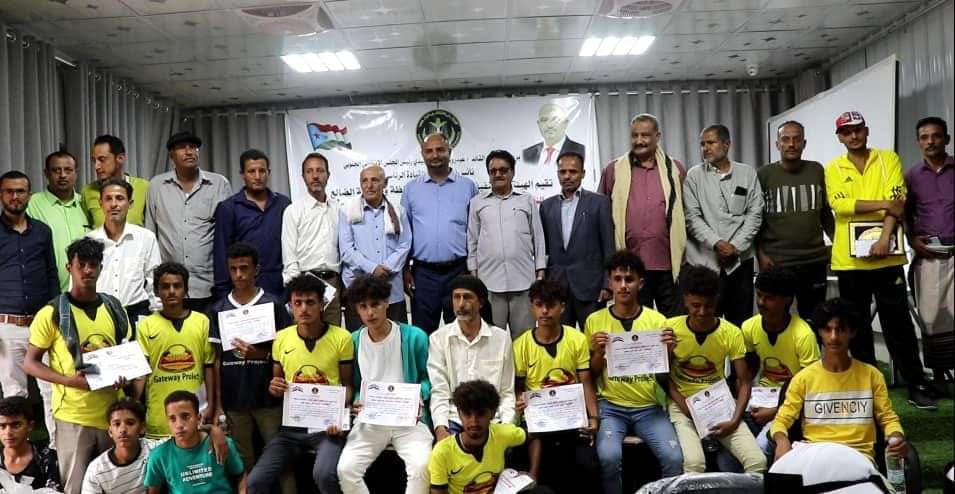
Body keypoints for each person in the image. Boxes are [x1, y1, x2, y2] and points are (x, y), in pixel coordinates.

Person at [824, 111, 935, 409]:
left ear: (866, 130)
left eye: (858, 130)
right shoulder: (834, 167)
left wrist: (884, 239)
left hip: (888, 256)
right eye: (847, 132)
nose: (853, 136)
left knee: (898, 324)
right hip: (850, 262)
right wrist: (884, 203)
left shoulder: (888, 159)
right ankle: (867, 387)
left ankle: (916, 383)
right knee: (856, 328)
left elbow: (898, 203)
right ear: (840, 137)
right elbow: (840, 205)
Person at [23, 237, 132, 494]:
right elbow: (30, 363)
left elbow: (123, 356)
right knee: (74, 487)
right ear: (68, 267)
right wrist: (68, 381)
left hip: (111, 416)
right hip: (73, 417)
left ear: (101, 268)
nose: (87, 270)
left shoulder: (115, 308)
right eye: (81, 264)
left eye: (93, 264)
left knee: (115, 487)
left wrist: (125, 377)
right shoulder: (51, 313)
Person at [584, 251, 683, 493]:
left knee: (673, 458)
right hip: (611, 407)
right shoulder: (594, 321)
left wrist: (668, 353)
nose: (623, 285)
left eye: (629, 279)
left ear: (641, 283)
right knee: (608, 457)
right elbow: (591, 376)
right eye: (617, 279)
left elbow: (663, 376)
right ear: (609, 283)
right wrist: (597, 353)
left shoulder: (657, 321)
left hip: (648, 407)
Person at [247, 274, 352, 494]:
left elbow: (348, 386)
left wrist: (340, 418)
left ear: (322, 305)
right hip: (292, 428)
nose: (304, 309)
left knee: (324, 474)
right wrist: (275, 388)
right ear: (290, 306)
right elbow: (277, 385)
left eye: (310, 302)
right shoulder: (281, 338)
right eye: (298, 303)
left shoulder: (342, 338)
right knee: (255, 481)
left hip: (327, 428)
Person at [771, 298, 908, 465]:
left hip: (859, 460)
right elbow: (781, 421)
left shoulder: (872, 376)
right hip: (815, 458)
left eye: (841, 330)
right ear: (820, 332)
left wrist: (896, 437)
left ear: (852, 332)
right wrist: (781, 440)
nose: (834, 337)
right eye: (827, 330)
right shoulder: (803, 379)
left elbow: (887, 418)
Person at [666, 265, 766, 474]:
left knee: (757, 461)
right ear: (685, 300)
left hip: (718, 404)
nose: (702, 312)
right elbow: (661, 377)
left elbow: (744, 381)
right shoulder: (670, 329)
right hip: (682, 404)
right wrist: (684, 405)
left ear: (717, 301)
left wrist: (734, 420)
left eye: (708, 306)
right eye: (695, 305)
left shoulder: (731, 332)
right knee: (694, 463)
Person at [337, 275, 432, 494]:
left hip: (410, 419)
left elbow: (429, 378)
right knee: (346, 469)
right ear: (356, 309)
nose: (370, 312)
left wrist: (420, 394)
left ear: (387, 303)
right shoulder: (353, 341)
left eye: (375, 304)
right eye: (363, 307)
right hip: (371, 420)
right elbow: (355, 385)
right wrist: (357, 401)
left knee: (422, 465)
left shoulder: (414, 337)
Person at [208, 242, 292, 482]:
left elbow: (288, 353)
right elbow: (216, 360)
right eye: (233, 269)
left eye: (244, 268)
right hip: (235, 400)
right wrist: (219, 404)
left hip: (269, 400)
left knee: (281, 460)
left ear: (257, 269)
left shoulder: (273, 305)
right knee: (243, 463)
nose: (239, 275)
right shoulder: (218, 309)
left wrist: (261, 355)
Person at [512, 279, 599, 493]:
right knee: (535, 464)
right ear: (532, 307)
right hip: (538, 421)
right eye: (539, 305)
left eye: (550, 305)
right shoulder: (521, 344)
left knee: (586, 464)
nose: (545, 311)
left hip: (571, 418)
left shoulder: (576, 339)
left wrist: (594, 418)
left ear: (562, 307)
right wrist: (520, 400)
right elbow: (518, 387)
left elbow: (586, 382)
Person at [598, 113, 687, 317]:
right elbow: (601, 216)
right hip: (630, 268)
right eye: (634, 135)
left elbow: (687, 213)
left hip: (668, 265)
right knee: (637, 325)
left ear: (658, 136)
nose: (639, 141)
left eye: (645, 135)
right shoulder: (614, 170)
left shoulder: (675, 170)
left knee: (673, 324)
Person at [683, 124, 763, 326]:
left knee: (741, 323)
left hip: (740, 261)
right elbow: (692, 217)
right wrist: (718, 244)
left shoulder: (747, 173)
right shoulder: (694, 176)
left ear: (726, 144)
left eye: (711, 143)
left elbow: (755, 214)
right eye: (702, 144)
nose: (705, 148)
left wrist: (735, 247)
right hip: (706, 262)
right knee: (706, 322)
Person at [0, 170, 58, 442]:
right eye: (9, 191)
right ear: (1, 195)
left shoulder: (42, 232)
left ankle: (57, 453)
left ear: (29, 195)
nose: (15, 196)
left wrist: (56, 314)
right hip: (6, 325)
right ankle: (18, 455)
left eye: (20, 191)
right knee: (14, 395)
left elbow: (51, 274)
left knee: (52, 390)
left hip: (42, 324)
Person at [146, 131, 232, 313]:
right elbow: (150, 234)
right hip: (170, 286)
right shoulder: (157, 186)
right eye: (182, 148)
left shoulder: (218, 184)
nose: (189, 152)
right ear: (171, 154)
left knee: (207, 330)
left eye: (193, 147)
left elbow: (228, 233)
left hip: (208, 284)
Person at [756, 121, 834, 322]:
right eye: (785, 139)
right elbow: (755, 219)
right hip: (777, 262)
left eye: (796, 139)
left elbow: (826, 214)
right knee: (775, 319)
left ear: (804, 143)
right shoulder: (763, 175)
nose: (791, 144)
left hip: (814, 260)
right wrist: (761, 254)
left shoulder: (817, 170)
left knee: (814, 319)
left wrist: (837, 244)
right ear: (777, 144)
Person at [401, 133, 478, 333]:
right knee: (423, 333)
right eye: (429, 151)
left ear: (449, 152)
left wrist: (473, 269)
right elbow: (405, 234)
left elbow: (475, 231)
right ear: (422, 154)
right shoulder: (411, 189)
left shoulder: (468, 186)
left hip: (459, 271)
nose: (435, 155)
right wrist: (405, 269)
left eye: (440, 150)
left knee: (461, 331)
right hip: (423, 274)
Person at [739, 267, 819, 457]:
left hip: (791, 404)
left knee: (760, 448)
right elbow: (747, 372)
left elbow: (811, 387)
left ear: (787, 300)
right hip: (760, 398)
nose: (761, 302)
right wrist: (742, 401)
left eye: (769, 298)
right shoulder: (749, 327)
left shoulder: (803, 335)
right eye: (759, 295)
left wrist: (775, 411)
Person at [133, 262, 217, 438]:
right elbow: (141, 372)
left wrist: (211, 405)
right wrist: (134, 404)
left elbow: (208, 366)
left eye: (177, 286)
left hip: (196, 414)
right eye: (165, 286)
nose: (171, 291)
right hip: (159, 418)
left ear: (186, 289)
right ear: (156, 291)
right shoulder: (145, 325)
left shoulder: (202, 321)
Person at [428, 275, 516, 443]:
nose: (461, 304)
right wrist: (440, 428)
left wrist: (507, 426)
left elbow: (507, 392)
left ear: (481, 302)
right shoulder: (438, 339)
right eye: (456, 297)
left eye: (467, 297)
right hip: (455, 419)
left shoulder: (501, 339)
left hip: (492, 421)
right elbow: (439, 391)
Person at [467, 149, 546, 336]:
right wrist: (474, 276)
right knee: (491, 339)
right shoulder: (477, 203)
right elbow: (472, 241)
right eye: (493, 171)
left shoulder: (527, 201)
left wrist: (540, 275)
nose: (498, 174)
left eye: (503, 170)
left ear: (512, 172)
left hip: (524, 282)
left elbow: (538, 239)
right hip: (489, 284)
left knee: (524, 339)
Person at [428, 380, 554, 494]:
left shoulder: (502, 433)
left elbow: (534, 435)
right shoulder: (442, 452)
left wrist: (533, 475)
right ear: (459, 414)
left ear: (493, 413)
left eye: (481, 414)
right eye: (467, 414)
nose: (474, 422)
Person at [904, 116, 953, 397]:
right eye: (924, 137)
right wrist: (912, 240)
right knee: (932, 318)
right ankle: (939, 377)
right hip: (929, 255)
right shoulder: (911, 176)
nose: (930, 141)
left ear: (947, 139)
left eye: (936, 136)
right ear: (918, 142)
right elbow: (905, 214)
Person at [540, 151, 614, 327]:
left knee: (594, 339)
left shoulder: (599, 203)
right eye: (562, 172)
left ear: (583, 173)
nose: (567, 176)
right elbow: (544, 249)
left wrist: (607, 283)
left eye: (573, 171)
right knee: (562, 339)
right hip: (557, 288)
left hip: (591, 287)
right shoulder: (546, 206)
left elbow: (608, 247)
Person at [339, 165, 411, 330]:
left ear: (385, 183)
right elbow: (347, 249)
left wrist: (385, 268)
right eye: (364, 181)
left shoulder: (398, 211)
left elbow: (405, 244)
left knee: (396, 338)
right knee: (359, 340)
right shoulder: (347, 211)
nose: (369, 185)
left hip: (391, 287)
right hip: (358, 288)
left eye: (375, 180)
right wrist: (373, 269)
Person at [214, 149, 291, 298]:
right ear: (242, 174)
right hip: (245, 288)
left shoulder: (283, 204)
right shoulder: (228, 208)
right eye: (251, 171)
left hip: (280, 288)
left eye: (262, 171)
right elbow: (222, 253)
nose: (257, 176)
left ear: (268, 173)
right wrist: (223, 294)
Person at [87, 177, 162, 323]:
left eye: (120, 198)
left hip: (137, 315)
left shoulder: (146, 238)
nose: (114, 204)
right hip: (99, 316)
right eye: (108, 199)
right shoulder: (89, 241)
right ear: (100, 203)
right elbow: (79, 285)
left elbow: (154, 283)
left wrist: (157, 318)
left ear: (130, 204)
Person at [144, 390, 246, 494]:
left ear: (198, 418)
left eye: (185, 416)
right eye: (172, 419)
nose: (179, 425)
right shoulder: (159, 456)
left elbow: (240, 475)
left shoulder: (221, 443)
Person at [282, 152, 342, 326]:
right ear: (303, 176)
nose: (315, 176)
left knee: (332, 335)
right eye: (309, 171)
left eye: (320, 171)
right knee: (305, 337)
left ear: (328, 175)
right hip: (304, 283)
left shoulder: (338, 209)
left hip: (332, 284)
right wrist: (294, 292)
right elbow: (289, 256)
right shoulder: (293, 211)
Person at [26, 151, 90, 291]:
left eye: (68, 170)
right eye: (56, 170)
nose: (62, 175)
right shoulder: (31, 204)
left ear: (76, 173)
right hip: (45, 291)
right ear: (46, 173)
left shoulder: (85, 204)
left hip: (85, 291)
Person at [81, 399, 156, 494]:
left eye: (130, 423)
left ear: (142, 428)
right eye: (117, 424)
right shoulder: (96, 470)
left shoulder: (154, 448)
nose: (122, 430)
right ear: (110, 431)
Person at [81, 134, 150, 228]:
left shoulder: (144, 187)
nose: (96, 166)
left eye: (102, 159)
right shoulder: (87, 191)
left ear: (120, 158)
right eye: (94, 160)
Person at [0, 396, 60, 491]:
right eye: (2, 426)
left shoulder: (46, 459)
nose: (8, 432)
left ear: (30, 426)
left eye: (16, 425)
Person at [522, 102, 585, 167]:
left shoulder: (581, 151)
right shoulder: (527, 153)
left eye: (555, 120)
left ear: (565, 123)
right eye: (544, 120)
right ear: (538, 124)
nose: (549, 125)